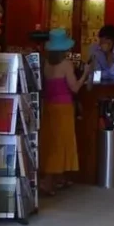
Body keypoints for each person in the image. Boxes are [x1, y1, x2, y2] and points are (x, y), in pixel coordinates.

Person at [40, 28, 86, 196]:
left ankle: (56, 178)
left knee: (51, 141)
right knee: (61, 144)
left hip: (49, 106)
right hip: (64, 108)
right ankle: (48, 181)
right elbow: (74, 88)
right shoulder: (66, 64)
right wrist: (85, 74)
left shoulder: (46, 64)